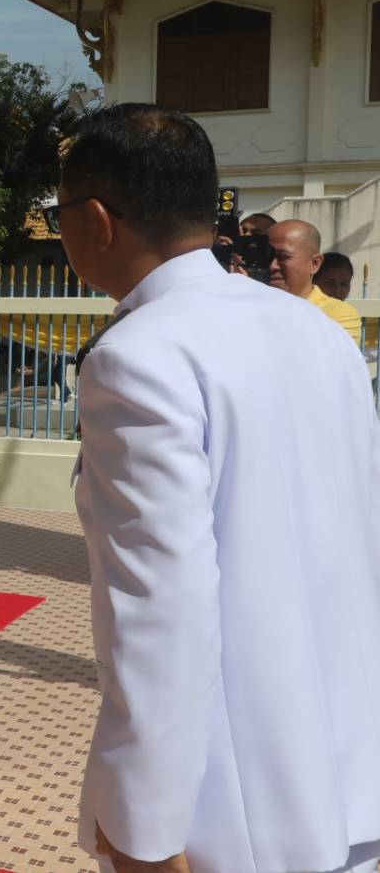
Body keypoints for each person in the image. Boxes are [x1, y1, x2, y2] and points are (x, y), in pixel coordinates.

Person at [50, 103, 380, 873]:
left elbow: (159, 605)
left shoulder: (136, 355)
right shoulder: (317, 333)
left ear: (95, 220)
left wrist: (144, 824)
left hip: (236, 809)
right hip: (349, 770)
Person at [269, 220, 362, 345]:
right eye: (268, 256)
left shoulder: (338, 313)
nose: (272, 265)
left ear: (315, 263)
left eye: (284, 257)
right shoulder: (251, 301)